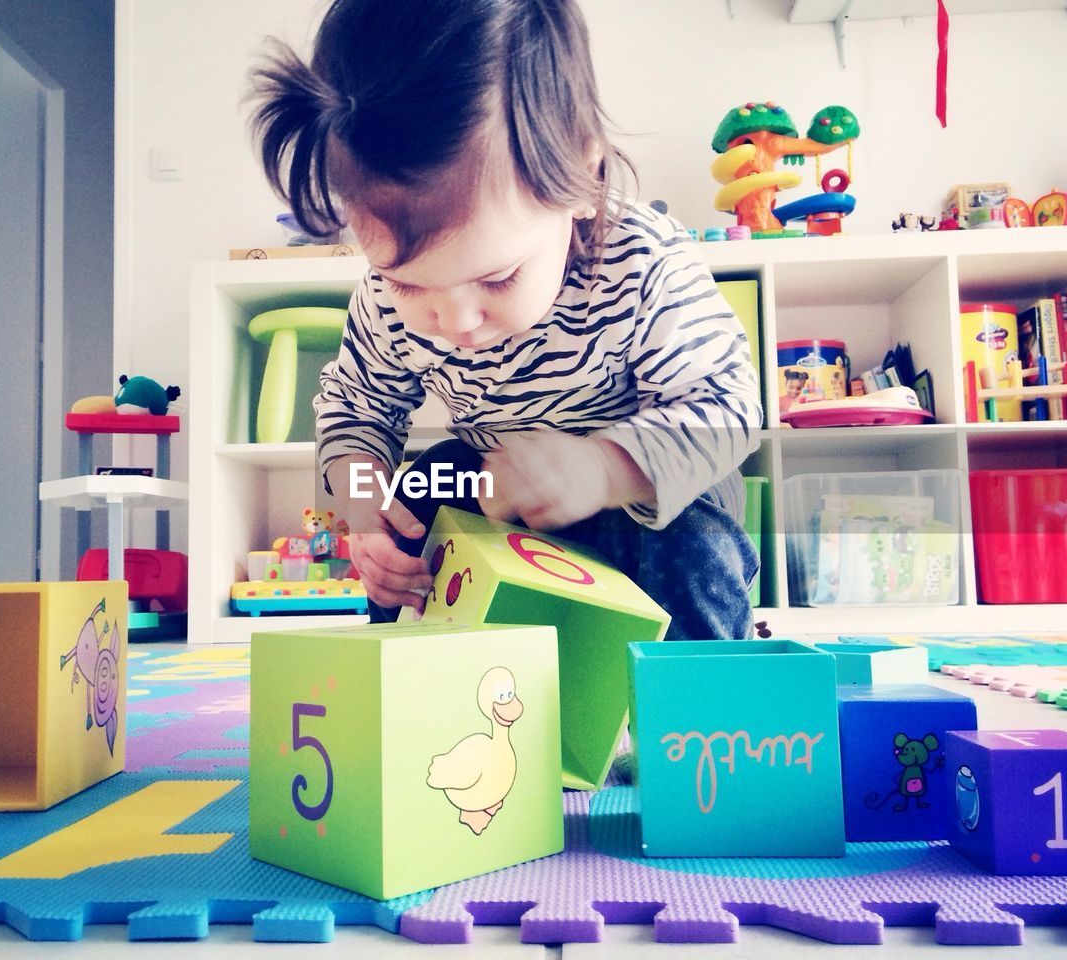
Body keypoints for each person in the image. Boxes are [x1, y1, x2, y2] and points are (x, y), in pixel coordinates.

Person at [249, 0, 762, 640]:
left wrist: (603, 469)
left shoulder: (642, 261)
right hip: (498, 483)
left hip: (642, 495)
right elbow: (354, 410)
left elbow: (727, 407)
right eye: (408, 282)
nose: (454, 319)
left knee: (689, 541)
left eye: (497, 278)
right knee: (419, 491)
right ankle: (424, 667)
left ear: (579, 177)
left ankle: (696, 711)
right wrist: (362, 501)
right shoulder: (383, 302)